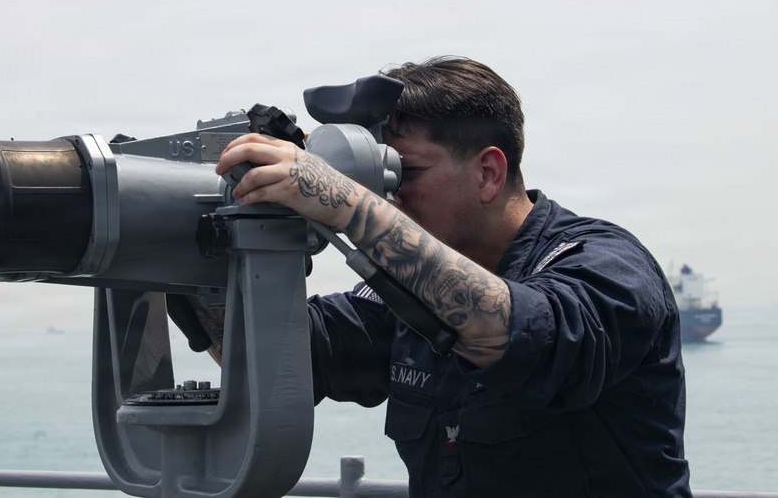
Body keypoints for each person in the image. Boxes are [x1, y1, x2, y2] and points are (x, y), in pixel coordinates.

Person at [214, 56, 691, 497]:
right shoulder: (400, 295)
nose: (385, 198)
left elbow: (531, 341)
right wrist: (186, 247)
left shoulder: (605, 264)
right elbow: (279, 352)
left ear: (487, 172)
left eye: (404, 173)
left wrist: (345, 204)